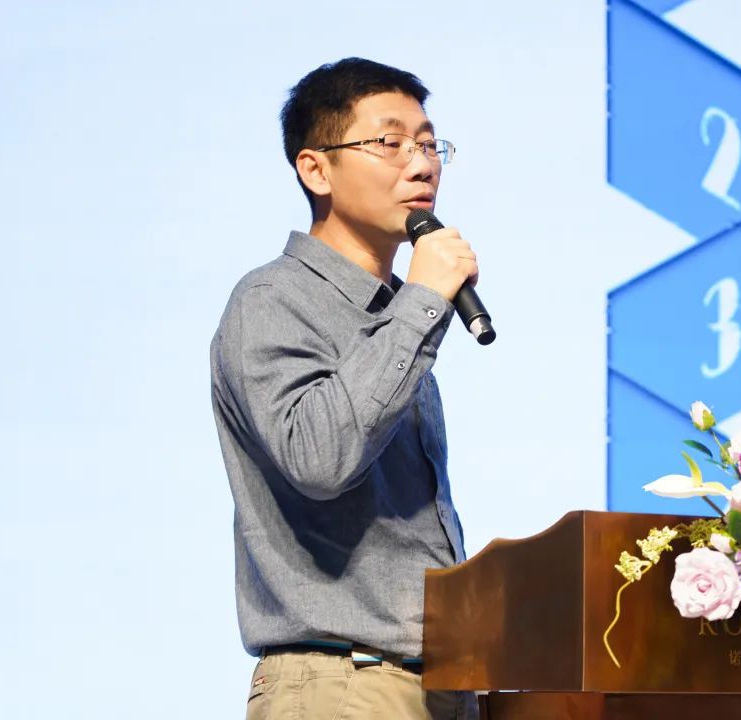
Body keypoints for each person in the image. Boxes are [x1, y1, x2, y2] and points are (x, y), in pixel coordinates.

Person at [210, 57, 479, 720]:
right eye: (390, 143)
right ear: (316, 170)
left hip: (435, 684)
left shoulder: (396, 313)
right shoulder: (272, 300)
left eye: (428, 144)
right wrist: (423, 301)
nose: (421, 164)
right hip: (344, 684)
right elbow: (321, 459)